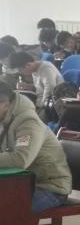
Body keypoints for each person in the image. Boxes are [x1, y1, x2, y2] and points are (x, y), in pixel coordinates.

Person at [0, 82, 72, 213]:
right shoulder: (4, 120)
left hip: (49, 188)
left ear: (5, 105)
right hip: (21, 184)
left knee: (5, 211)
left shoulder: (28, 122)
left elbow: (20, 159)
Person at [7, 51, 64, 119]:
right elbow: (40, 86)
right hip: (40, 101)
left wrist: (38, 106)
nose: (21, 73)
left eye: (20, 70)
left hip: (51, 104)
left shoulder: (46, 69)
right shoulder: (35, 69)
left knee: (28, 119)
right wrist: (28, 86)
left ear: (28, 65)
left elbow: (50, 90)